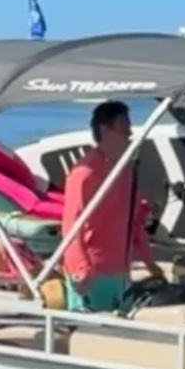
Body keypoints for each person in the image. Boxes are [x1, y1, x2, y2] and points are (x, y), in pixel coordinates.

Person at [58, 99, 165, 312]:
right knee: (88, 326)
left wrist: (149, 262)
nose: (129, 134)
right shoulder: (85, 172)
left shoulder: (126, 170)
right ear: (105, 130)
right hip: (91, 270)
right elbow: (72, 224)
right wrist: (80, 267)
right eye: (124, 127)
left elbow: (134, 221)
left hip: (120, 269)